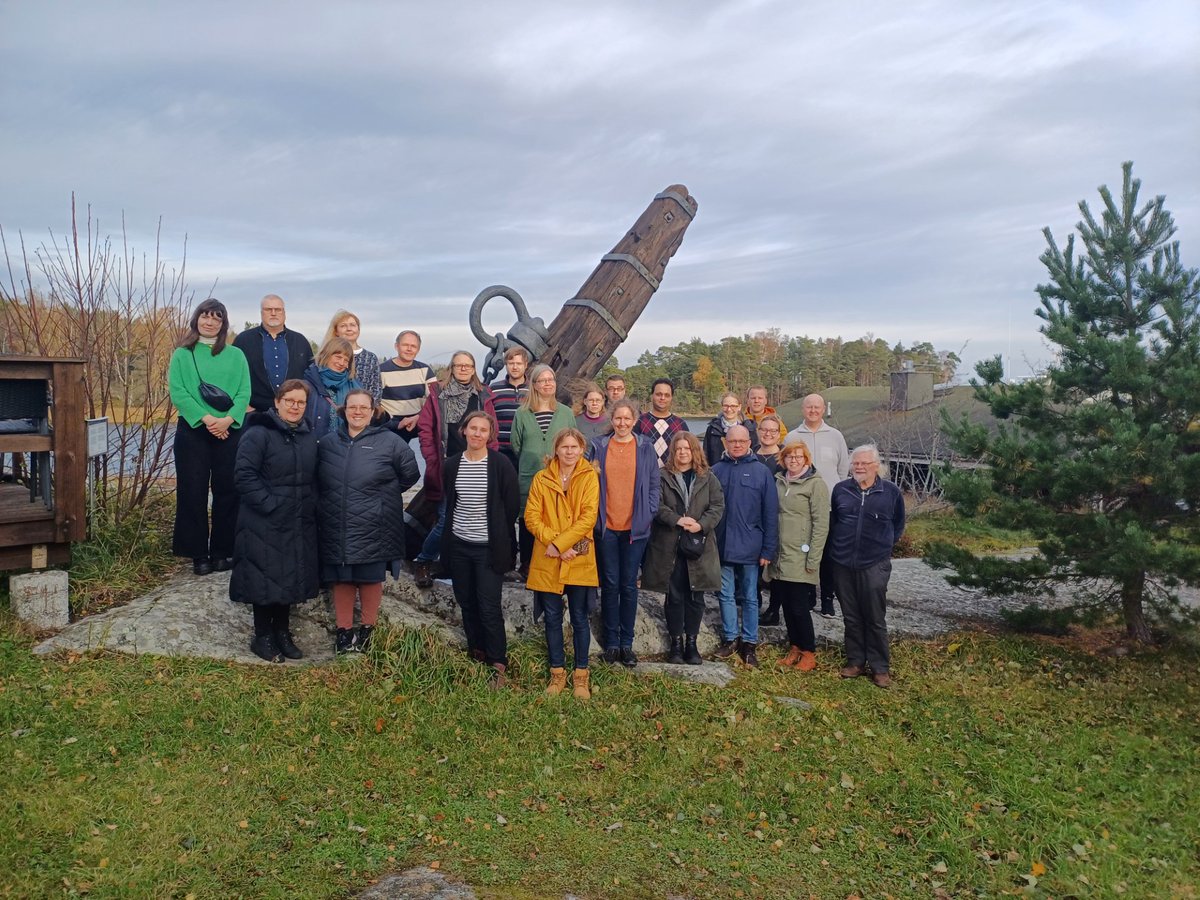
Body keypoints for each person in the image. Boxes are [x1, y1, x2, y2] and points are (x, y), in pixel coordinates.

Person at [317, 389, 420, 653]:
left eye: (364, 407)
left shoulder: (390, 441)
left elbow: (411, 473)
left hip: (375, 522)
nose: (358, 412)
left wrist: (381, 495)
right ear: (344, 411)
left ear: (373, 412)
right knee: (342, 578)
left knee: (370, 577)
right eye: (353, 407)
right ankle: (343, 632)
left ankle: (368, 630)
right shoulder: (327, 443)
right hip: (338, 521)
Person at [229, 379, 319, 662]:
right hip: (263, 519)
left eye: (301, 402)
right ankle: (262, 636)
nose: (295, 406)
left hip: (297, 517)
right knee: (263, 575)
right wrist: (269, 505)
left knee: (288, 575)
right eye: (290, 401)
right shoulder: (258, 433)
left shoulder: (307, 435)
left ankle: (282, 632)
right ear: (277, 402)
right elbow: (244, 475)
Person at [168, 298, 252, 576]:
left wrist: (227, 420)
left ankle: (222, 551)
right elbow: (179, 392)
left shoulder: (236, 355)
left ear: (223, 324)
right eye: (205, 316)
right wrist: (207, 419)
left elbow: (244, 391)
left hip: (229, 430)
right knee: (192, 491)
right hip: (193, 431)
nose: (210, 321)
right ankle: (198, 554)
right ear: (197, 319)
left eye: (216, 317)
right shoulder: (183, 354)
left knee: (228, 491)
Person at [442, 411, 519, 689]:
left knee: (488, 606)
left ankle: (497, 662)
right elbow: (450, 501)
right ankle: (477, 651)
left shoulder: (500, 464)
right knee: (467, 602)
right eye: (472, 428)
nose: (477, 433)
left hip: (488, 547)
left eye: (483, 430)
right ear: (464, 430)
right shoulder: (452, 464)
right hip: (459, 545)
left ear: (490, 435)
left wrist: (499, 534)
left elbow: (511, 505)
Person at [525, 428, 600, 701]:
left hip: (578, 555)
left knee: (579, 618)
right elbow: (532, 517)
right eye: (565, 446)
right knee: (553, 618)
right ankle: (557, 673)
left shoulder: (589, 476)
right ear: (556, 449)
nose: (569, 451)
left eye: (574, 447)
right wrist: (555, 544)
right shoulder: (541, 478)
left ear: (582, 449)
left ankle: (581, 675)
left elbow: (588, 517)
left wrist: (562, 544)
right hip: (549, 556)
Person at [413, 351, 498, 586]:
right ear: (452, 367)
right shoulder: (438, 394)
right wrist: (431, 459)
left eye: (468, 365)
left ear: (474, 369)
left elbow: (492, 430)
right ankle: (424, 560)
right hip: (447, 464)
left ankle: (453, 563)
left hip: (477, 464)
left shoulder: (482, 395)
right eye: (459, 365)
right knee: (446, 518)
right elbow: (426, 428)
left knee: (472, 516)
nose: (463, 369)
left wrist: (492, 460)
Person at [641, 431, 725, 666]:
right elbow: (656, 505)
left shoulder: (708, 478)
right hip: (670, 545)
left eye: (687, 448)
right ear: (673, 452)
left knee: (696, 597)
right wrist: (677, 519)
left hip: (699, 545)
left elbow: (717, 506)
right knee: (674, 596)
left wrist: (701, 524)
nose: (682, 453)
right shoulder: (662, 476)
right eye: (678, 449)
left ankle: (692, 644)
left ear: (694, 451)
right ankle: (676, 644)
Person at [588, 399, 660, 666]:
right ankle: (611, 643)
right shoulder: (598, 446)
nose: (622, 423)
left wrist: (648, 512)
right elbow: (588, 482)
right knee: (610, 584)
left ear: (635, 420)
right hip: (607, 527)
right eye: (618, 418)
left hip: (635, 528)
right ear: (611, 419)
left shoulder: (645, 447)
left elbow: (654, 484)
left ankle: (627, 644)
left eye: (627, 419)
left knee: (629, 585)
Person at [827, 445, 905, 688]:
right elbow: (835, 521)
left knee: (874, 616)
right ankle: (855, 661)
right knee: (851, 615)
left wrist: (882, 547)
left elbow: (898, 525)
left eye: (864, 463)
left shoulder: (890, 492)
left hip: (874, 563)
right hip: (842, 562)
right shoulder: (841, 490)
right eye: (855, 463)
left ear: (876, 466)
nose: (859, 467)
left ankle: (880, 667)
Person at [710, 425, 778, 667]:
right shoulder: (716, 470)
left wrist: (768, 549)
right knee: (725, 594)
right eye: (732, 441)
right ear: (725, 443)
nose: (737, 445)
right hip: (722, 545)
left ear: (750, 442)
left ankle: (749, 643)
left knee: (750, 597)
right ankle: (730, 638)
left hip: (751, 546)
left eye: (741, 441)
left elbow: (770, 513)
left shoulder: (761, 472)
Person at [763, 442, 830, 672]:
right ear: (783, 460)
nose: (793, 460)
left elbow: (821, 524)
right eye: (789, 456)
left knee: (800, 606)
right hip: (780, 553)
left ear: (806, 460)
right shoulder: (779, 481)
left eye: (798, 457)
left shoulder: (815, 485)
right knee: (787, 605)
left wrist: (814, 558)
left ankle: (809, 652)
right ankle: (795, 647)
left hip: (801, 555)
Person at [785, 393, 851, 618]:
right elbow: (787, 467)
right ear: (803, 409)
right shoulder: (793, 436)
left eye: (817, 407)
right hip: (801, 507)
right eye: (809, 407)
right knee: (805, 551)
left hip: (829, 506)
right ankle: (809, 595)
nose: (813, 411)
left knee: (827, 554)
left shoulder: (835, 436)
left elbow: (843, 469)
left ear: (823, 409)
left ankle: (827, 599)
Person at [510, 364, 576, 577]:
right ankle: (527, 563)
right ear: (535, 385)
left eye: (551, 380)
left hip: (559, 478)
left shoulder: (566, 413)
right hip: (530, 477)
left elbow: (573, 442)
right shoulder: (522, 413)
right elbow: (516, 444)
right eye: (543, 380)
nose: (548, 384)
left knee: (556, 518)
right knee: (529, 520)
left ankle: (554, 560)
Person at [233, 294, 314, 413]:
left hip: (293, 413)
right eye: (268, 309)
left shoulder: (300, 341)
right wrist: (243, 406)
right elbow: (233, 375)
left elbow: (311, 377)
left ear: (284, 313)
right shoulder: (243, 340)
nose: (273, 313)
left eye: (278, 309)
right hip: (254, 413)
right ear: (261, 313)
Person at [379, 330, 437, 444]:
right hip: (390, 427)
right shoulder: (381, 371)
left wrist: (418, 417)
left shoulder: (425, 370)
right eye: (405, 345)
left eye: (413, 346)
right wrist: (394, 424)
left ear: (418, 350)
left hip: (419, 423)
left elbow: (435, 401)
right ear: (396, 346)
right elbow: (374, 403)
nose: (409, 349)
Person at [301, 337, 363, 437]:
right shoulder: (307, 385)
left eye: (346, 360)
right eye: (338, 357)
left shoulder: (356, 387)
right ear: (326, 355)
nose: (341, 363)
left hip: (344, 443)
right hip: (314, 442)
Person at [324, 309, 381, 403]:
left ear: (358, 329)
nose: (349, 329)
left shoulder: (370, 358)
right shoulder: (328, 354)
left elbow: (375, 391)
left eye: (353, 325)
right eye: (343, 326)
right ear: (336, 331)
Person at [488, 345, 530, 471]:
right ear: (506, 365)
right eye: (511, 363)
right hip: (501, 451)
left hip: (526, 451)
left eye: (519, 363)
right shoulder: (494, 389)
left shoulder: (534, 390)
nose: (515, 367)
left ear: (526, 365)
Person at [634, 377, 690, 467]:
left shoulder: (680, 424)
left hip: (673, 474)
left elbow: (688, 453)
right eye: (658, 394)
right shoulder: (640, 421)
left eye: (667, 395)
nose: (662, 398)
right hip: (646, 474)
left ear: (671, 398)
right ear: (652, 396)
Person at [703, 392, 759, 468]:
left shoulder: (749, 428)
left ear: (739, 407)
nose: (729, 409)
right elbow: (705, 455)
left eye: (733, 406)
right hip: (717, 472)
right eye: (726, 406)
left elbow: (755, 454)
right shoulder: (712, 429)